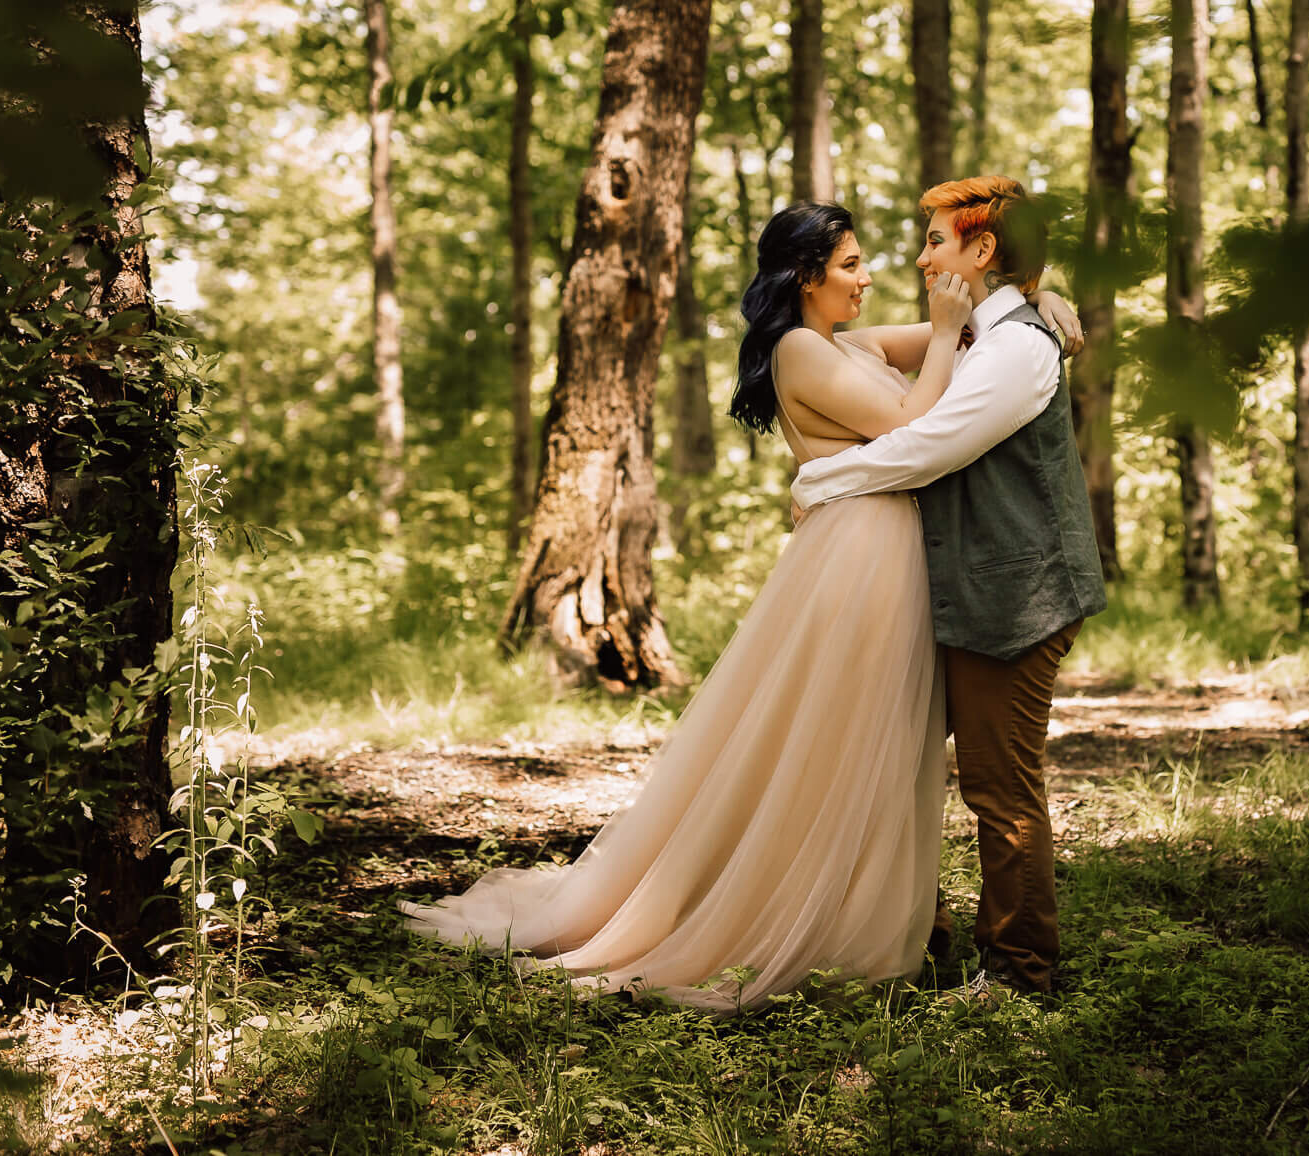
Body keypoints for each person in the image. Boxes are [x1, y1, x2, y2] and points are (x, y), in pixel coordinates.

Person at [399, 201, 1081, 1011]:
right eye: (852, 265)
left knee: (888, 748)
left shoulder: (844, 343)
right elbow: (913, 415)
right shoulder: (797, 349)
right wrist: (940, 333)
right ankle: (823, 918)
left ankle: (895, 915)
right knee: (845, 741)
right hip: (864, 556)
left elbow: (977, 334)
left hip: (899, 552)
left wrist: (1039, 299)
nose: (870, 278)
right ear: (806, 277)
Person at [791, 175, 1108, 999]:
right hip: (965, 588)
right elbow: (847, 347)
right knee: (901, 765)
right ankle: (919, 943)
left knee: (1001, 791)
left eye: (935, 240)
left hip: (1020, 593)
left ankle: (1019, 975)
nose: (921, 255)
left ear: (982, 250)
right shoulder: (979, 330)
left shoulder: (1016, 348)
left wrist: (825, 482)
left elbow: (934, 446)